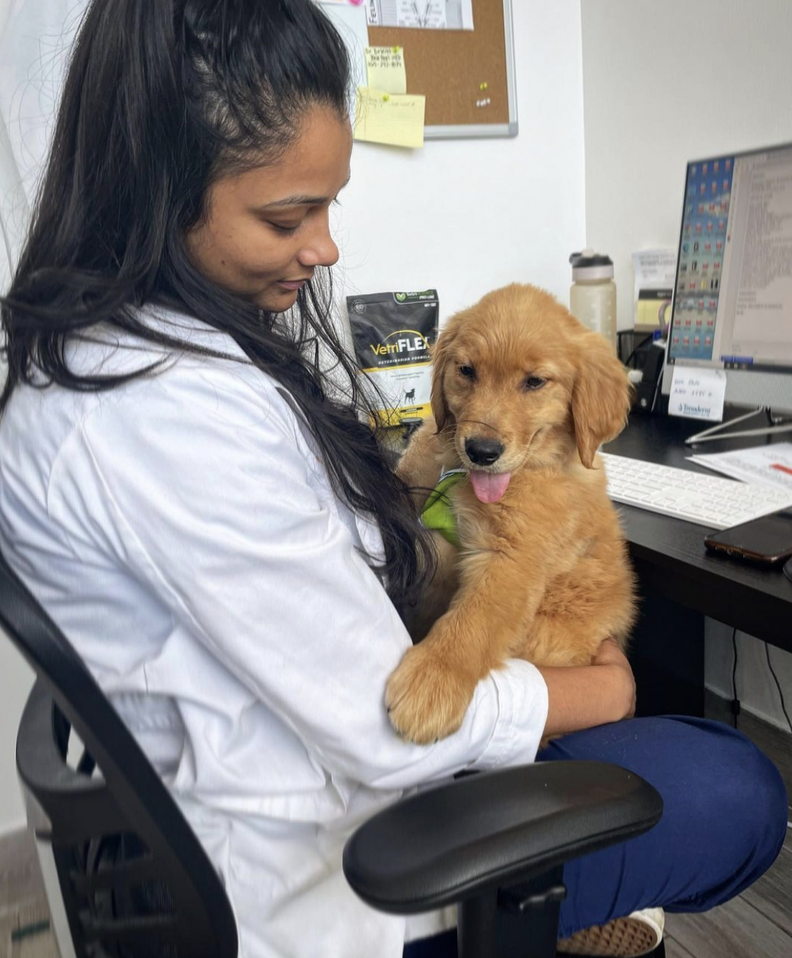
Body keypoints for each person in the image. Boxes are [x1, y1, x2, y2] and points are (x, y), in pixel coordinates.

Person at [0, 2, 786, 957]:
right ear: (155, 189)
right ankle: (530, 904)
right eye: (289, 214)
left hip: (304, 772)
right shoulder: (160, 418)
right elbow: (392, 721)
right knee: (736, 784)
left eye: (329, 204)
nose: (325, 244)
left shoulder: (136, 358)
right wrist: (599, 693)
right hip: (350, 865)